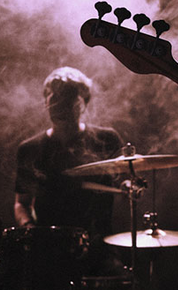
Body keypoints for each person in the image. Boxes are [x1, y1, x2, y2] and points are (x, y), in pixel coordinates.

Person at [12, 66, 127, 288]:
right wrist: (29, 229)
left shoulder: (107, 139)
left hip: (99, 251)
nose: (58, 103)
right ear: (46, 101)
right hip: (48, 252)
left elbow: (123, 183)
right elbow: (21, 203)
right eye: (52, 96)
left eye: (67, 97)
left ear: (83, 102)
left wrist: (130, 187)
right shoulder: (30, 149)